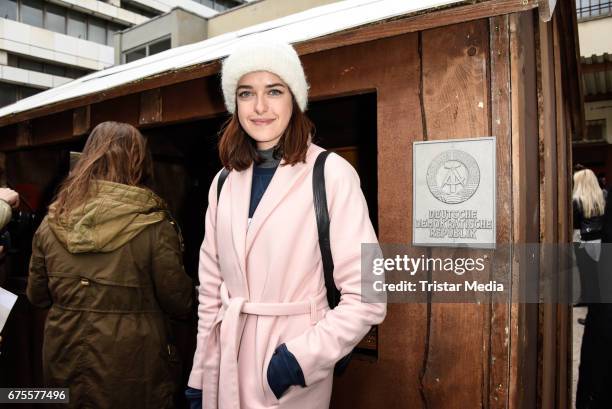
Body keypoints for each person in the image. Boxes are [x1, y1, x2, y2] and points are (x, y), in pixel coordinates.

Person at [186, 38, 386, 409]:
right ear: (235, 103)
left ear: (294, 99)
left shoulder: (331, 174)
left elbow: (368, 296)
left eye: (274, 90)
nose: (259, 106)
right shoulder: (224, 181)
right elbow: (211, 294)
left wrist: (296, 362)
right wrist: (200, 376)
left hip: (289, 373)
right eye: (246, 93)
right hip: (223, 371)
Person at [26, 121, 193, 409]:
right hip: (133, 371)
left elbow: (37, 295)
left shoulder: (50, 222)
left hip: (63, 362)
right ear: (138, 162)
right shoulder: (154, 225)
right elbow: (180, 303)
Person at [572, 169, 605, 307]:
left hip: (583, 240)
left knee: (586, 273)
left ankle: (586, 300)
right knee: (599, 274)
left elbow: (575, 223)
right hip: (600, 238)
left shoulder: (576, 200)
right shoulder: (603, 197)